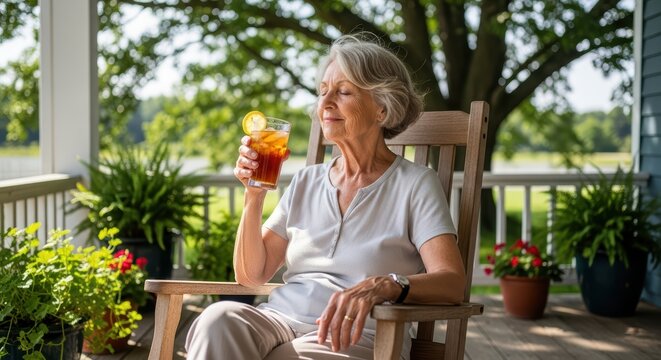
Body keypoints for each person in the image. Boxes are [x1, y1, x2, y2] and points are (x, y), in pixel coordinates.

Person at [185, 33, 466, 360]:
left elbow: (451, 283)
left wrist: (387, 285)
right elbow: (251, 275)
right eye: (322, 92)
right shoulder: (306, 181)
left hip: (355, 334)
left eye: (344, 91)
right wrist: (254, 196)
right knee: (217, 321)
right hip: (279, 321)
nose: (326, 102)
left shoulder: (415, 184)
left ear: (382, 109)